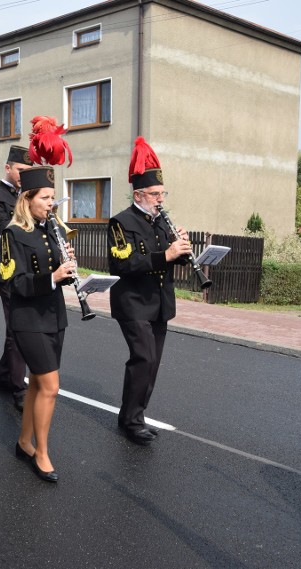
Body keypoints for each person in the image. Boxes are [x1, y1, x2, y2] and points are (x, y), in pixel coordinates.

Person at [108, 137, 191, 446]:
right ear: (138, 194)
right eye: (155, 194)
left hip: (159, 303)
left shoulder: (162, 223)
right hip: (132, 303)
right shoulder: (120, 223)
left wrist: (182, 251)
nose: (160, 199)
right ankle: (129, 421)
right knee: (142, 357)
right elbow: (122, 264)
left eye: (162, 193)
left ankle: (136, 414)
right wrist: (165, 255)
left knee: (152, 362)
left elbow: (170, 259)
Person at [0, 165, 76, 483]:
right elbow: (12, 282)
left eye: (53, 197)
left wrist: (66, 268)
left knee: (38, 384)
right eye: (45, 197)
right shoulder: (11, 234)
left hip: (54, 315)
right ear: (27, 199)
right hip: (28, 319)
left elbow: (54, 272)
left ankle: (23, 442)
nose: (51, 202)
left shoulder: (51, 230)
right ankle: (41, 453)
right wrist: (53, 277)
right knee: (51, 387)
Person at [0, 145, 32, 411]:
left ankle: (5, 375)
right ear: (8, 168)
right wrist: (24, 206)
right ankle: (19, 388)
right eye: (20, 170)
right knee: (17, 327)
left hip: (30, 267)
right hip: (7, 267)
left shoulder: (28, 193)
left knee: (17, 325)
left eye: (27, 171)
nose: (24, 175)